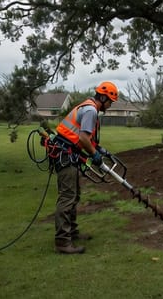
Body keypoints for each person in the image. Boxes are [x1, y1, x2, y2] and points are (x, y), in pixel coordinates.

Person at [52, 81, 119, 254]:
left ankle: (72, 233)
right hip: (65, 155)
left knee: (74, 195)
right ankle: (62, 242)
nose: (110, 106)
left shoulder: (88, 106)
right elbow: (82, 139)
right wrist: (94, 155)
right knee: (67, 197)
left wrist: (98, 149)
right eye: (110, 102)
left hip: (70, 154)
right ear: (103, 97)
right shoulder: (91, 110)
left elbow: (84, 138)